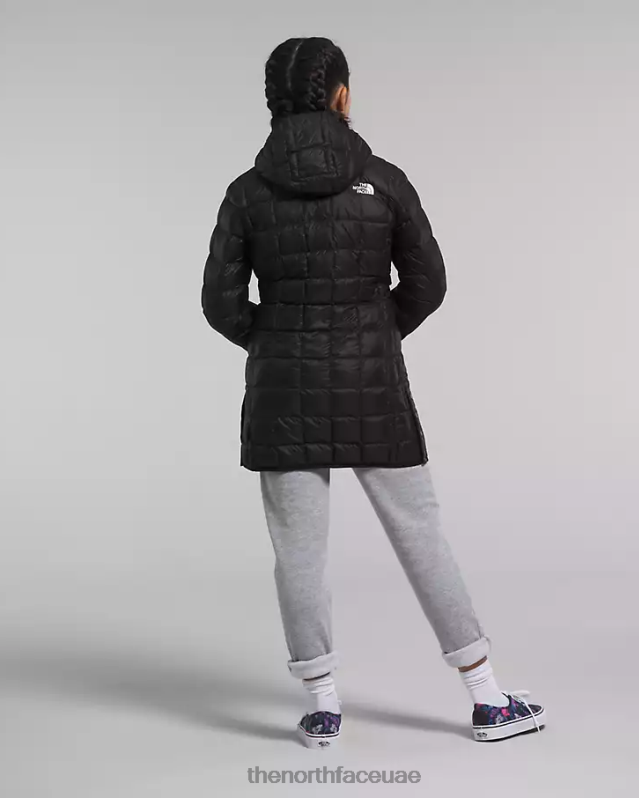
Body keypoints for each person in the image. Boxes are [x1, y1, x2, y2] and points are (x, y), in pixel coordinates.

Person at [201, 36, 546, 748]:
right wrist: (375, 334)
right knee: (421, 535)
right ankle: (487, 699)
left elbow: (220, 303)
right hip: (373, 384)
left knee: (297, 552)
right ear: (342, 95)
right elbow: (428, 284)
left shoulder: (245, 192)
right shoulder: (384, 180)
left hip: (283, 395)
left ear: (272, 101)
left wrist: (276, 342)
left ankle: (323, 708)